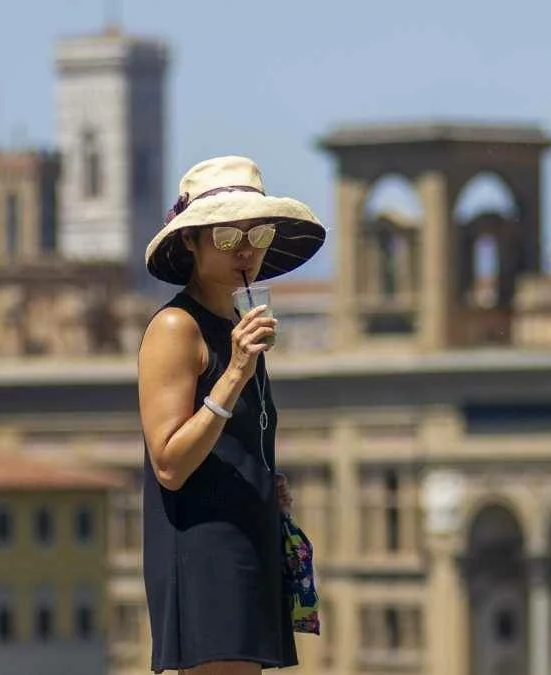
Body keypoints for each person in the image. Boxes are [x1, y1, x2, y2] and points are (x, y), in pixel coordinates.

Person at [136, 155, 327, 674]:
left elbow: (226, 439)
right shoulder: (177, 327)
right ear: (191, 243)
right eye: (225, 236)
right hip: (205, 543)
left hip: (249, 532)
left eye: (258, 233)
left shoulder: (236, 324)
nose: (245, 248)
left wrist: (264, 479)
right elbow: (169, 463)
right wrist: (237, 369)